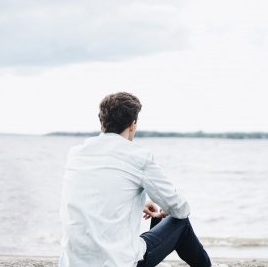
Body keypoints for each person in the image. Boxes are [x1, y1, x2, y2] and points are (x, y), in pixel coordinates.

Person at [59, 92, 213, 267]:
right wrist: (166, 209)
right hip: (118, 263)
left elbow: (94, 196)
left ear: (102, 121)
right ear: (132, 125)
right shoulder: (138, 157)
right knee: (181, 223)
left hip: (73, 262)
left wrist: (139, 203)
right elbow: (180, 208)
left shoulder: (76, 154)